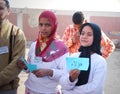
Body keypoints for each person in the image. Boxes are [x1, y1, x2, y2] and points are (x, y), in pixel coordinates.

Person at [17, 10, 69, 94]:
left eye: (47, 25)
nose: (43, 28)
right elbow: (31, 68)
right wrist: (25, 66)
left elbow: (65, 74)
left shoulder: (61, 48)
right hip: (30, 89)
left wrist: (49, 72)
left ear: (54, 26)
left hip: (49, 91)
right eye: (41, 24)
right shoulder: (34, 45)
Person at [59, 22, 107, 94]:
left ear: (96, 37)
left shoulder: (100, 61)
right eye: (82, 33)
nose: (84, 36)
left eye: (89, 34)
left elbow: (96, 89)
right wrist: (71, 79)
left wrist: (69, 92)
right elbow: (63, 83)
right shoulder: (73, 57)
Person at [0, 0, 26, 94]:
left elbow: (17, 62)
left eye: (1, 8)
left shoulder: (16, 34)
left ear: (8, 11)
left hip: (7, 89)